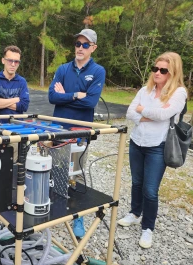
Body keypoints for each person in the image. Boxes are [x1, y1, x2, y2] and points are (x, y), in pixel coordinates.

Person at [118, 52, 187, 249]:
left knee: (150, 190)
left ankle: (148, 228)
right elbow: (130, 112)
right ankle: (134, 213)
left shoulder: (179, 92)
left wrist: (142, 110)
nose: (157, 73)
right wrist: (147, 113)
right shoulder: (144, 90)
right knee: (136, 182)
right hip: (137, 142)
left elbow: (164, 114)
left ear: (172, 72)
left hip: (158, 145)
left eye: (163, 70)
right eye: (155, 68)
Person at [48, 29, 106, 238]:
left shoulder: (98, 71)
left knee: (77, 173)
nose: (80, 48)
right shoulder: (63, 69)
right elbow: (52, 97)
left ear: (93, 48)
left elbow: (91, 102)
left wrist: (67, 96)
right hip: (57, 129)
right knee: (54, 169)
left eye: (85, 44)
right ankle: (54, 208)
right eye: (78, 44)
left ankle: (77, 216)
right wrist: (75, 95)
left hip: (80, 130)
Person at [0, 45, 29, 123]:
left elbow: (24, 106)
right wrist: (15, 100)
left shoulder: (22, 81)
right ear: (3, 60)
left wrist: (1, 102)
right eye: (10, 60)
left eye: (16, 61)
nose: (13, 64)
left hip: (18, 126)